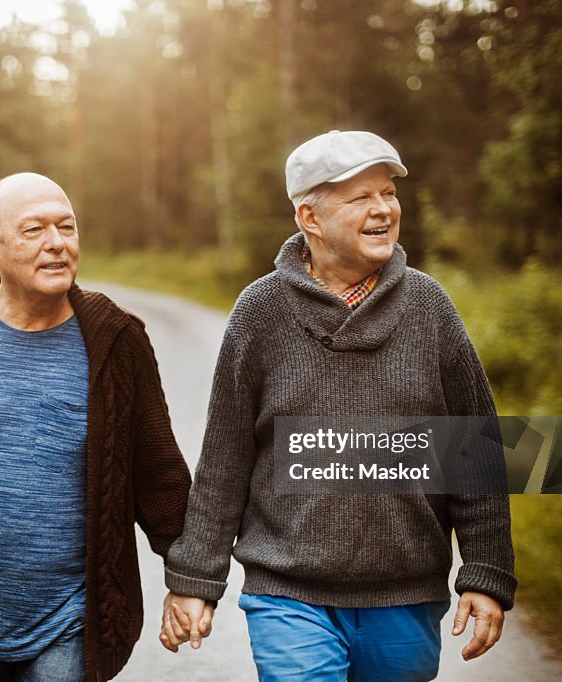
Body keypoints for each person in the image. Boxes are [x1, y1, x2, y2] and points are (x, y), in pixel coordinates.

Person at [159, 131, 516, 681]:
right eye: (360, 198)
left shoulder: (430, 309)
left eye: (387, 194)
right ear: (310, 217)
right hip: (288, 593)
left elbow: (478, 452)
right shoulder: (260, 313)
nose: (383, 210)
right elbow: (224, 461)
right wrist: (194, 579)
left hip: (404, 595)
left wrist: (486, 571)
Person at [0, 172, 192, 681]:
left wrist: (189, 578)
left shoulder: (115, 339)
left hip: (73, 617)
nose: (56, 244)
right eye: (33, 230)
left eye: (66, 227)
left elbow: (158, 472)